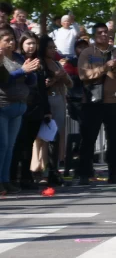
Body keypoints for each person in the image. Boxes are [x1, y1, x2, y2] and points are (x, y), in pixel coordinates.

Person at [77, 23, 116, 185]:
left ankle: (114, 174)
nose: (103, 35)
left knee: (114, 140)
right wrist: (105, 67)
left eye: (106, 32)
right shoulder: (88, 53)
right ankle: (84, 174)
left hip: (114, 102)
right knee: (88, 139)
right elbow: (84, 75)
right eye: (100, 33)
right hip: (92, 102)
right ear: (94, 36)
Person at [0, 24, 39, 195]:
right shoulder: (2, 59)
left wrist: (31, 72)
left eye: (12, 39)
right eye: (7, 40)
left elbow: (31, 82)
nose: (11, 42)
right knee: (3, 145)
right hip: (3, 106)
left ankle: (6, 180)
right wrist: (22, 71)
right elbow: (4, 80)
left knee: (10, 146)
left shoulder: (18, 57)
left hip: (19, 107)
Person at [11, 32, 46, 189]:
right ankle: (12, 177)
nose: (31, 46)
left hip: (37, 108)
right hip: (21, 106)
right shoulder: (17, 60)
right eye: (28, 43)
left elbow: (42, 88)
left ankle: (27, 177)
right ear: (22, 45)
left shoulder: (40, 62)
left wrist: (47, 110)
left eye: (34, 43)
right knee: (18, 144)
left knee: (29, 144)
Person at [38, 35, 73, 186]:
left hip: (59, 100)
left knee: (58, 137)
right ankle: (43, 171)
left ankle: (55, 169)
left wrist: (63, 76)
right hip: (47, 102)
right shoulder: (39, 64)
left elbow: (70, 84)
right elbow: (41, 85)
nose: (52, 50)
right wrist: (54, 78)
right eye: (50, 48)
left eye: (54, 48)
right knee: (46, 138)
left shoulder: (57, 63)